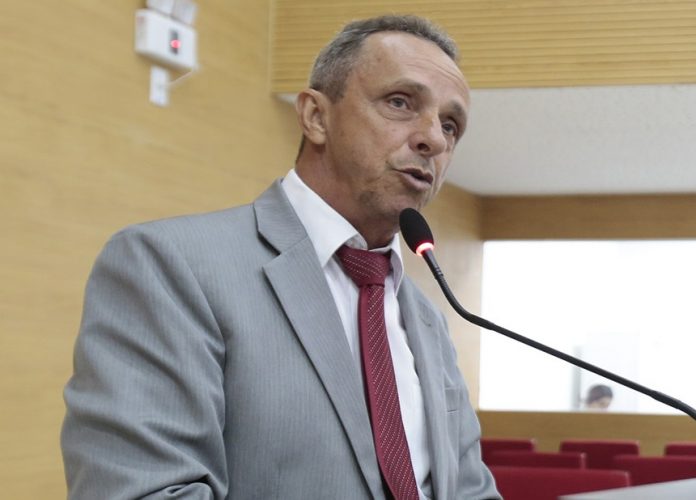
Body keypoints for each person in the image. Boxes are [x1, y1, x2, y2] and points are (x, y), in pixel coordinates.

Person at [61, 14, 500, 500]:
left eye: (450, 126)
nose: (433, 139)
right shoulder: (169, 265)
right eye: (400, 102)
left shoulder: (429, 319)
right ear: (316, 117)